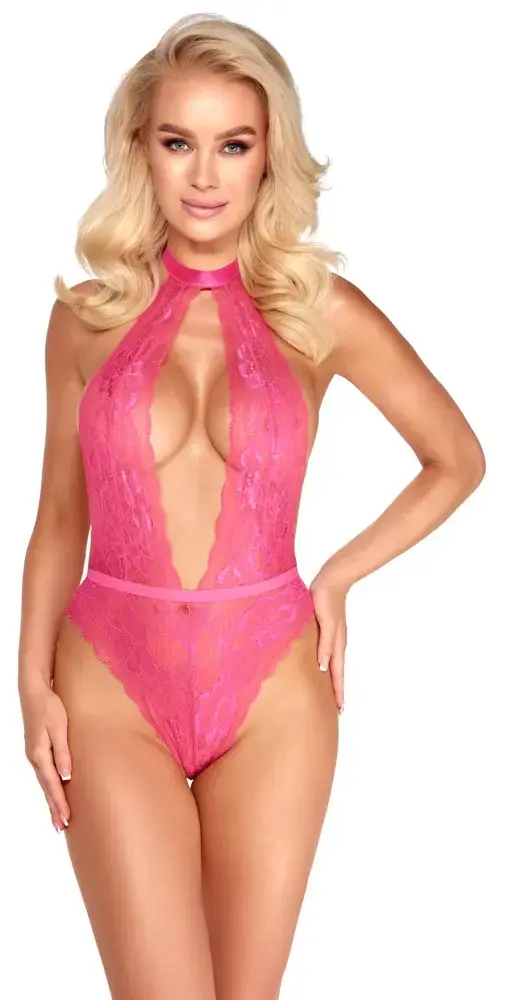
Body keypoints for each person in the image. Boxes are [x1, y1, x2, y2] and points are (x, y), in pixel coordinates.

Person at [17, 12, 485, 1000]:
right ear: (140, 147)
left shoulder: (318, 311)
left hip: (271, 690)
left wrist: (338, 576)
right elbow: (59, 517)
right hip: (108, 687)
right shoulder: (84, 319)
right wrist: (29, 684)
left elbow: (455, 458)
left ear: (270, 153)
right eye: (176, 142)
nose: (203, 176)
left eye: (233, 144)